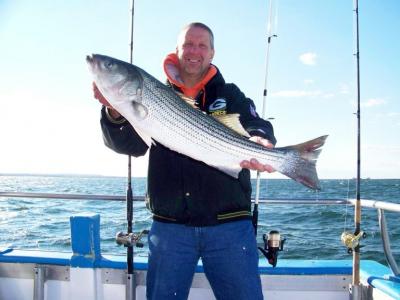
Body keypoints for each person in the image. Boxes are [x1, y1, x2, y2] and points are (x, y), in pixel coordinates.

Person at [93, 22, 276, 300]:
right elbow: (128, 145)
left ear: (212, 52)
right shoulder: (153, 93)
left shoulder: (229, 94)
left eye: (202, 45)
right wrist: (114, 111)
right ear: (177, 50)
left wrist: (261, 138)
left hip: (229, 225)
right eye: (188, 44)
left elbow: (255, 123)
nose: (194, 51)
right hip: (170, 227)